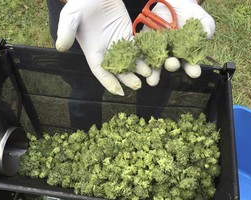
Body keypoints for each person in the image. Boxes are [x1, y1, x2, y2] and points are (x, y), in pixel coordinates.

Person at [46, 0, 215, 131]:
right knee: (84, 85)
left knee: (157, 78)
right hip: (89, 12)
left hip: (158, 7)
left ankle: (148, 130)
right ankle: (83, 139)